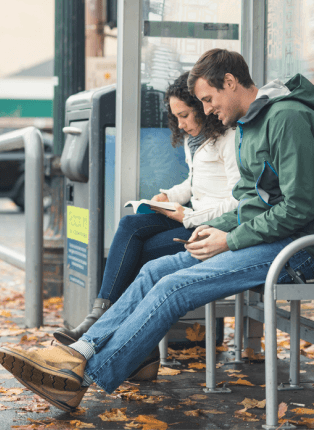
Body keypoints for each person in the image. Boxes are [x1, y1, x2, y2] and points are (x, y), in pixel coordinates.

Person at [0, 48, 314, 413]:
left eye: (208, 99)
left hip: (299, 250)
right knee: (153, 270)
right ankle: (78, 352)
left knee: (174, 287)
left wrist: (230, 238)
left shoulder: (287, 118)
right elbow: (249, 205)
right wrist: (213, 228)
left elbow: (301, 207)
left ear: (231, 82)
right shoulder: (249, 125)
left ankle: (80, 381)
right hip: (267, 238)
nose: (207, 110)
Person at [53, 71, 240, 346]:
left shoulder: (230, 139)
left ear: (204, 106)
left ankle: (115, 337)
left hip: (211, 228)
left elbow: (238, 201)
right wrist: (168, 195)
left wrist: (188, 215)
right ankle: (100, 318)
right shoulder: (195, 140)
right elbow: (193, 182)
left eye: (185, 115)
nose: (181, 124)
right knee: (130, 225)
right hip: (190, 217)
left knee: (138, 255)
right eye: (176, 117)